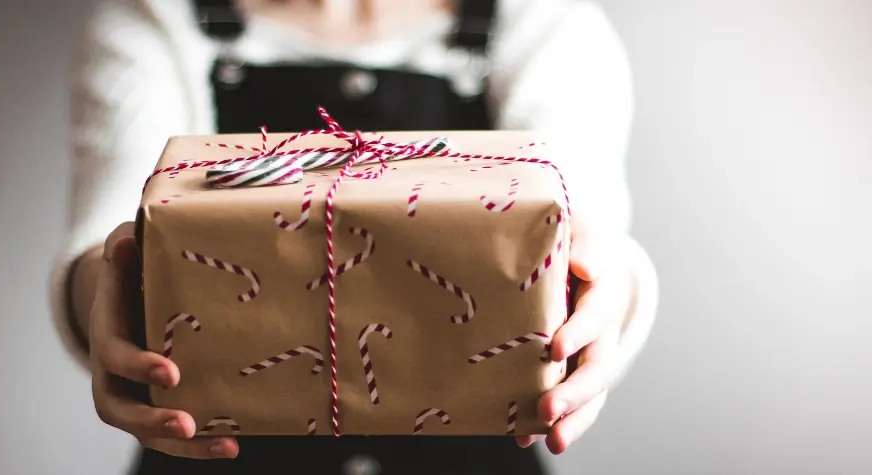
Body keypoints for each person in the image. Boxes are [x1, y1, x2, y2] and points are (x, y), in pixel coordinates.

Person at [49, 0, 659, 474]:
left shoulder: (541, 22)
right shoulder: (160, 19)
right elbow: (111, 235)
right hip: (215, 450)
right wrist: (106, 299)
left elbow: (588, 228)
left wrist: (612, 292)